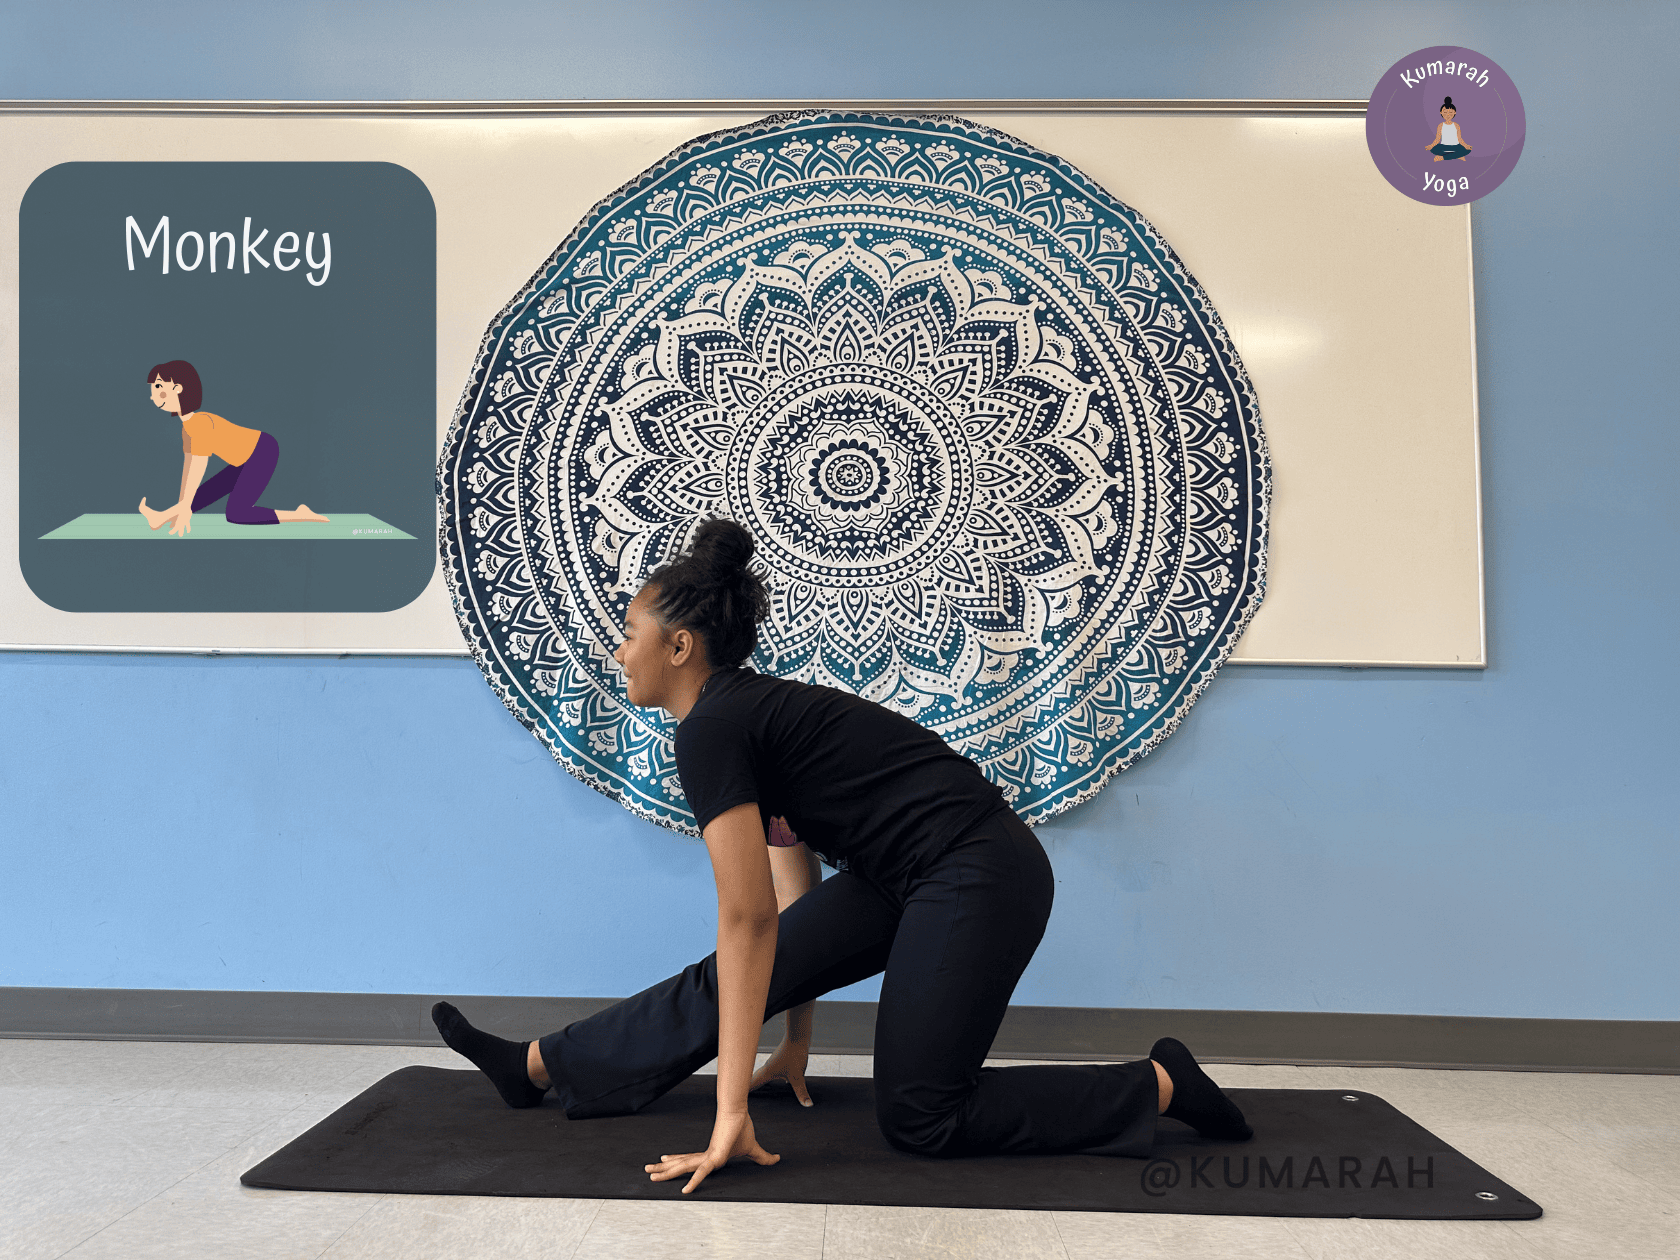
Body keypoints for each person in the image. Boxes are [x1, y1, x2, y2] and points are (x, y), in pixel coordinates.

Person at [433, 518, 1252, 1194]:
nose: (619, 651)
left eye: (628, 635)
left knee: (922, 1115)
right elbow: (788, 908)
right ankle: (538, 1066)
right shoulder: (738, 715)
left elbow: (747, 919)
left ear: (679, 647)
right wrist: (796, 1043)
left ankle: (1157, 1085)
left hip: (976, 869)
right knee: (725, 978)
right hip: (903, 875)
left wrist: (728, 1115)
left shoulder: (714, 728)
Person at [137, 360, 328, 534]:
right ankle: (161, 518)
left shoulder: (200, 424)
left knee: (237, 513)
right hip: (244, 459)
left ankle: (300, 515)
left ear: (178, 388)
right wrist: (182, 509)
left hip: (262, 451)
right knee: (197, 496)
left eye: (158, 387)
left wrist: (185, 508)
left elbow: (198, 467)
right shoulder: (187, 428)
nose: (153, 396)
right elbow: (188, 468)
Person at [1427, 97, 1473, 162]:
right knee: (1433, 149)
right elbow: (1437, 139)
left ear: (1455, 113)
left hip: (1456, 146)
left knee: (1468, 150)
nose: (1448, 115)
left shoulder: (1456, 125)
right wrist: (1431, 146)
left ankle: (1443, 157)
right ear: (1441, 112)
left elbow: (1460, 139)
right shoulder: (1440, 125)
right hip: (1443, 146)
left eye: (1451, 112)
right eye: (1445, 112)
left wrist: (1466, 145)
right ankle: (1457, 156)